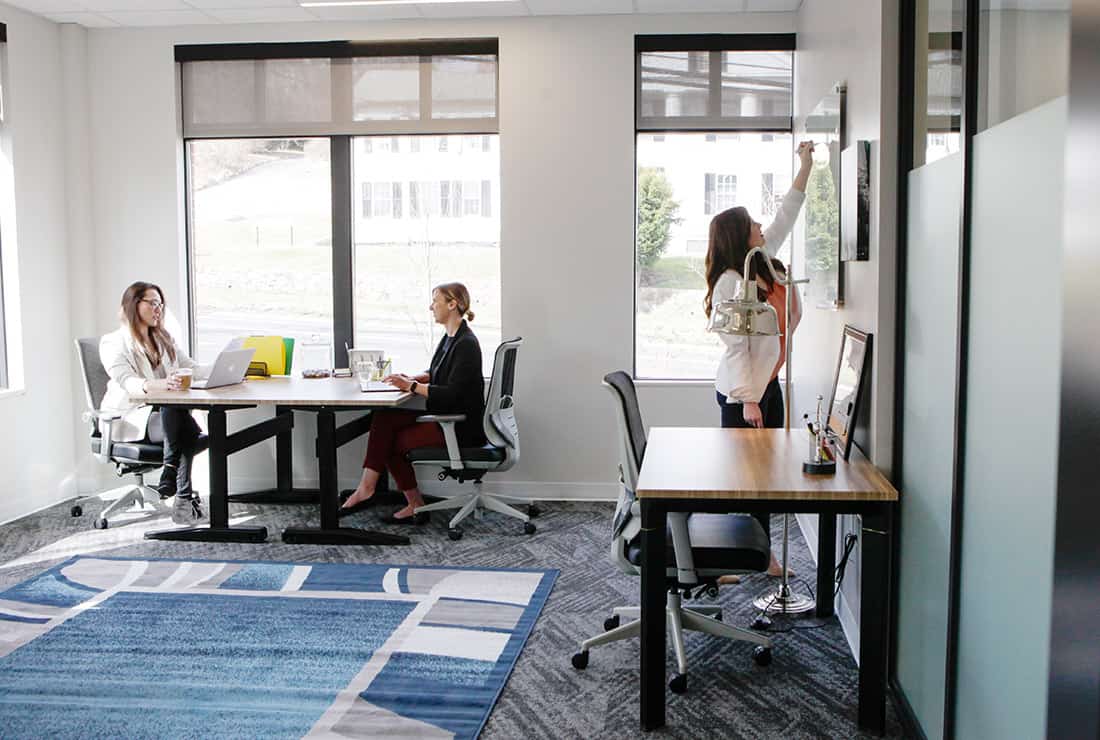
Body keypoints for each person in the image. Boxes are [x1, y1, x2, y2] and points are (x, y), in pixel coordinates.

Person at [704, 141, 815, 577]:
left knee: (764, 475)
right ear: (738, 235)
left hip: (767, 383)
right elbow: (736, 345)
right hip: (743, 393)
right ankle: (737, 557)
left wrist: (805, 167)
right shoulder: (733, 281)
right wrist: (750, 398)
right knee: (745, 479)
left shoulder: (761, 261)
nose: (760, 225)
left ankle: (757, 554)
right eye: (752, 222)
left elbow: (786, 214)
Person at [341, 282, 487, 524]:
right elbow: (439, 372)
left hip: (458, 426)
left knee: (388, 442)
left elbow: (453, 393)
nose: (431, 307)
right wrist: (411, 378)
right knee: (384, 418)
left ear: (452, 304)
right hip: (443, 417)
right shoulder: (451, 337)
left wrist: (410, 387)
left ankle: (395, 497)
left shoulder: (467, 344)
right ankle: (381, 492)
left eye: (435, 302)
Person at [100, 281, 207, 525]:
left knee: (175, 413)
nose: (158, 309)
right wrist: (161, 385)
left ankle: (172, 474)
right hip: (130, 417)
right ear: (134, 305)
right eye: (152, 303)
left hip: (164, 418)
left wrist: (231, 369)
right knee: (187, 427)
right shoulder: (113, 342)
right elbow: (127, 381)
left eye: (161, 304)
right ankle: (179, 488)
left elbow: (192, 368)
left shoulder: (163, 339)